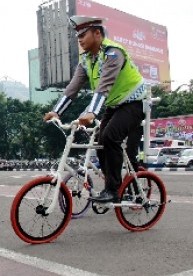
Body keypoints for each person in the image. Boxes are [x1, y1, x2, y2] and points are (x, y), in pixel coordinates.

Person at [43, 15, 146, 203]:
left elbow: (104, 85)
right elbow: (72, 88)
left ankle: (113, 190)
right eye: (78, 36)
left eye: (83, 34)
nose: (79, 39)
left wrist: (91, 112)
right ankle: (112, 184)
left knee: (110, 136)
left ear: (97, 33)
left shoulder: (114, 53)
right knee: (99, 140)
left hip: (134, 103)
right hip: (114, 105)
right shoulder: (86, 61)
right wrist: (57, 111)